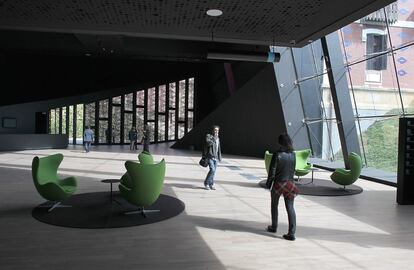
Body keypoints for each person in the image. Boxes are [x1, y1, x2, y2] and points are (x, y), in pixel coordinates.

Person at [265, 133, 298, 241]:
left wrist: (268, 184)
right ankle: (291, 233)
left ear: (281, 142)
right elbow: (293, 170)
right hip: (290, 183)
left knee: (274, 205)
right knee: (290, 208)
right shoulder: (293, 154)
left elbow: (272, 172)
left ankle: (274, 227)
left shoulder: (277, 154)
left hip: (279, 184)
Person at [203, 125, 222, 190]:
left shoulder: (218, 138)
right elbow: (208, 143)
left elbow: (218, 148)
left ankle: (211, 184)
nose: (216, 131)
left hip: (215, 158)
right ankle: (206, 183)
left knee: (213, 172)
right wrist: (214, 138)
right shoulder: (209, 136)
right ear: (213, 130)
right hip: (210, 157)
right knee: (212, 170)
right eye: (215, 130)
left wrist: (219, 157)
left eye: (217, 130)